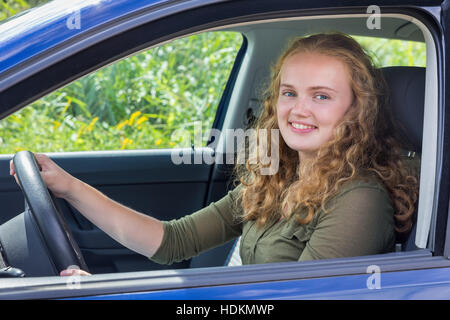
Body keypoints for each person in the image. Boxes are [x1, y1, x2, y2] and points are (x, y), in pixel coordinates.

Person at [10, 32, 418, 277]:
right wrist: (69, 187)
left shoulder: (359, 200)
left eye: (322, 96)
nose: (299, 109)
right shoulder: (278, 175)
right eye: (289, 92)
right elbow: (172, 241)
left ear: (356, 110)